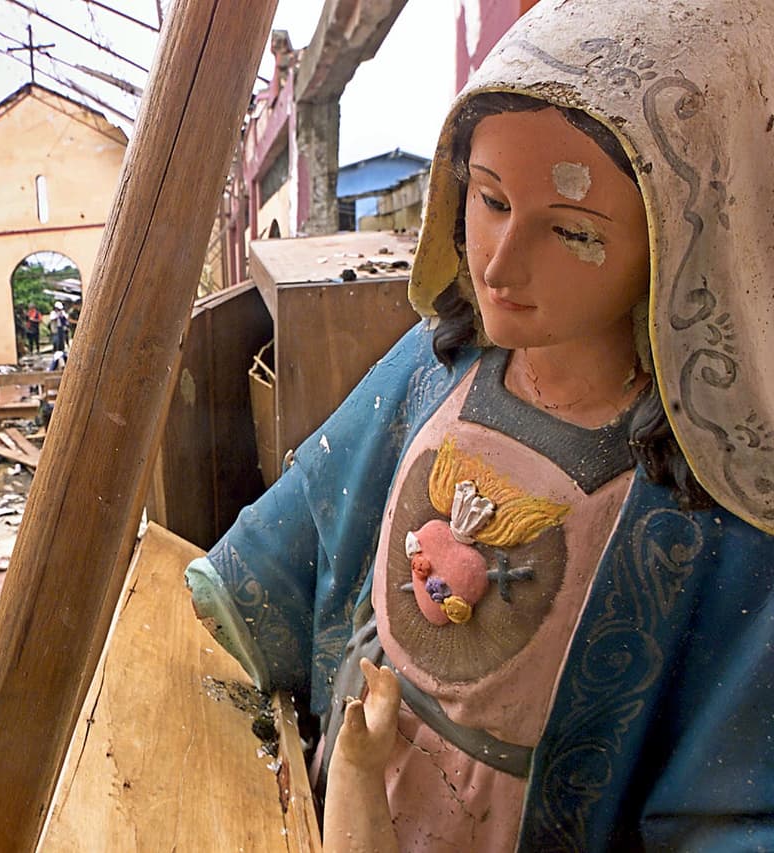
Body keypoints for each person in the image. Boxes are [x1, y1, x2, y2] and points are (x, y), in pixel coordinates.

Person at [186, 0, 774, 848]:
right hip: (354, 780)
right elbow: (314, 507)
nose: (499, 264)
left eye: (572, 230)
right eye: (491, 201)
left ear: (683, 238)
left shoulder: (707, 498)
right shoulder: (435, 368)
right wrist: (218, 612)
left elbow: (733, 794)